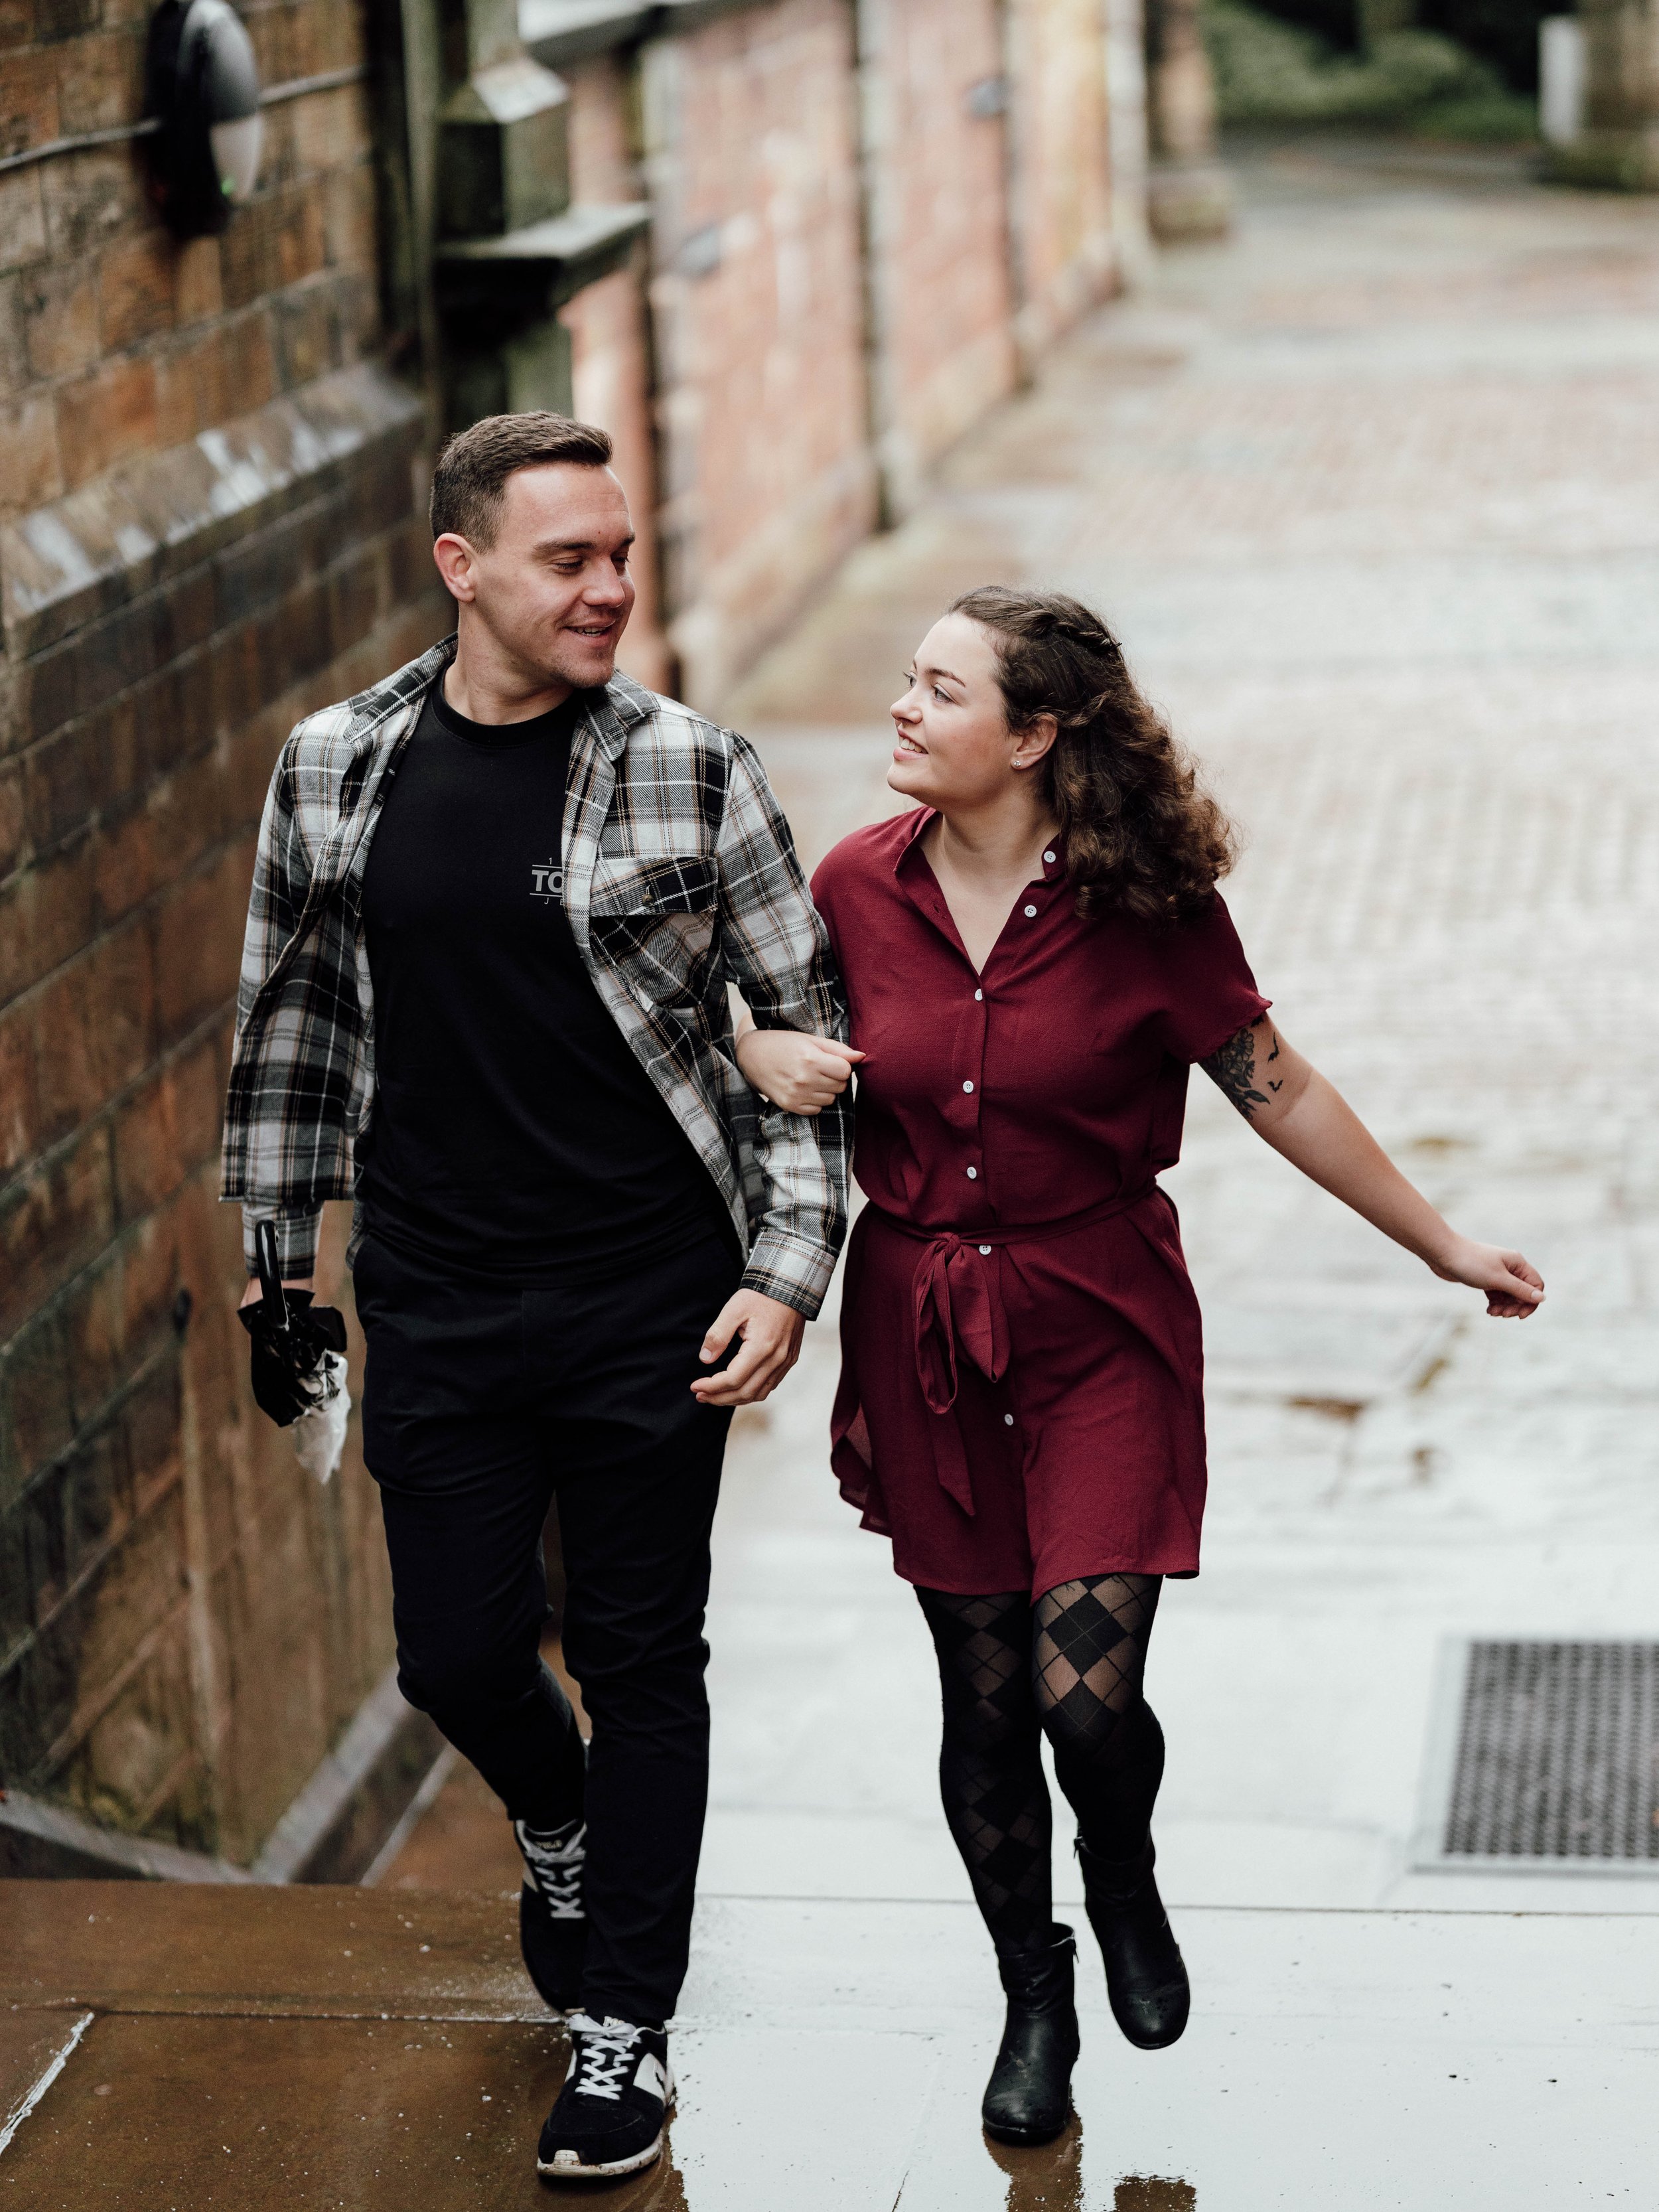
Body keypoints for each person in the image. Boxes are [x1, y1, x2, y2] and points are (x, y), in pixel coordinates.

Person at [735, 585, 1543, 2146]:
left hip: (1096, 1321)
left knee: (1083, 1698)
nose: (901, 707)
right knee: (983, 1697)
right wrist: (747, 1044)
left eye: (941, 689)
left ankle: (1119, 1865)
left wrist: (1437, 1243)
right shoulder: (849, 886)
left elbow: (1271, 1081)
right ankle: (1029, 1989)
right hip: (925, 1332)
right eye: (905, 678)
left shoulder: (1144, 903)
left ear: (1033, 734)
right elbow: (730, 1025)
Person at [221, 411, 849, 2182]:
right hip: (435, 1289)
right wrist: (278, 1266)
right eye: (567, 558)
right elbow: (291, 1019)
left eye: (619, 554)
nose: (606, 588)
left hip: (653, 1295)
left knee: (646, 1656)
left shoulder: (696, 770)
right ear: (462, 565)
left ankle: (623, 2025)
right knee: (456, 1651)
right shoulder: (334, 766)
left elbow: (806, 1051)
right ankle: (557, 1816)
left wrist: (786, 1274)